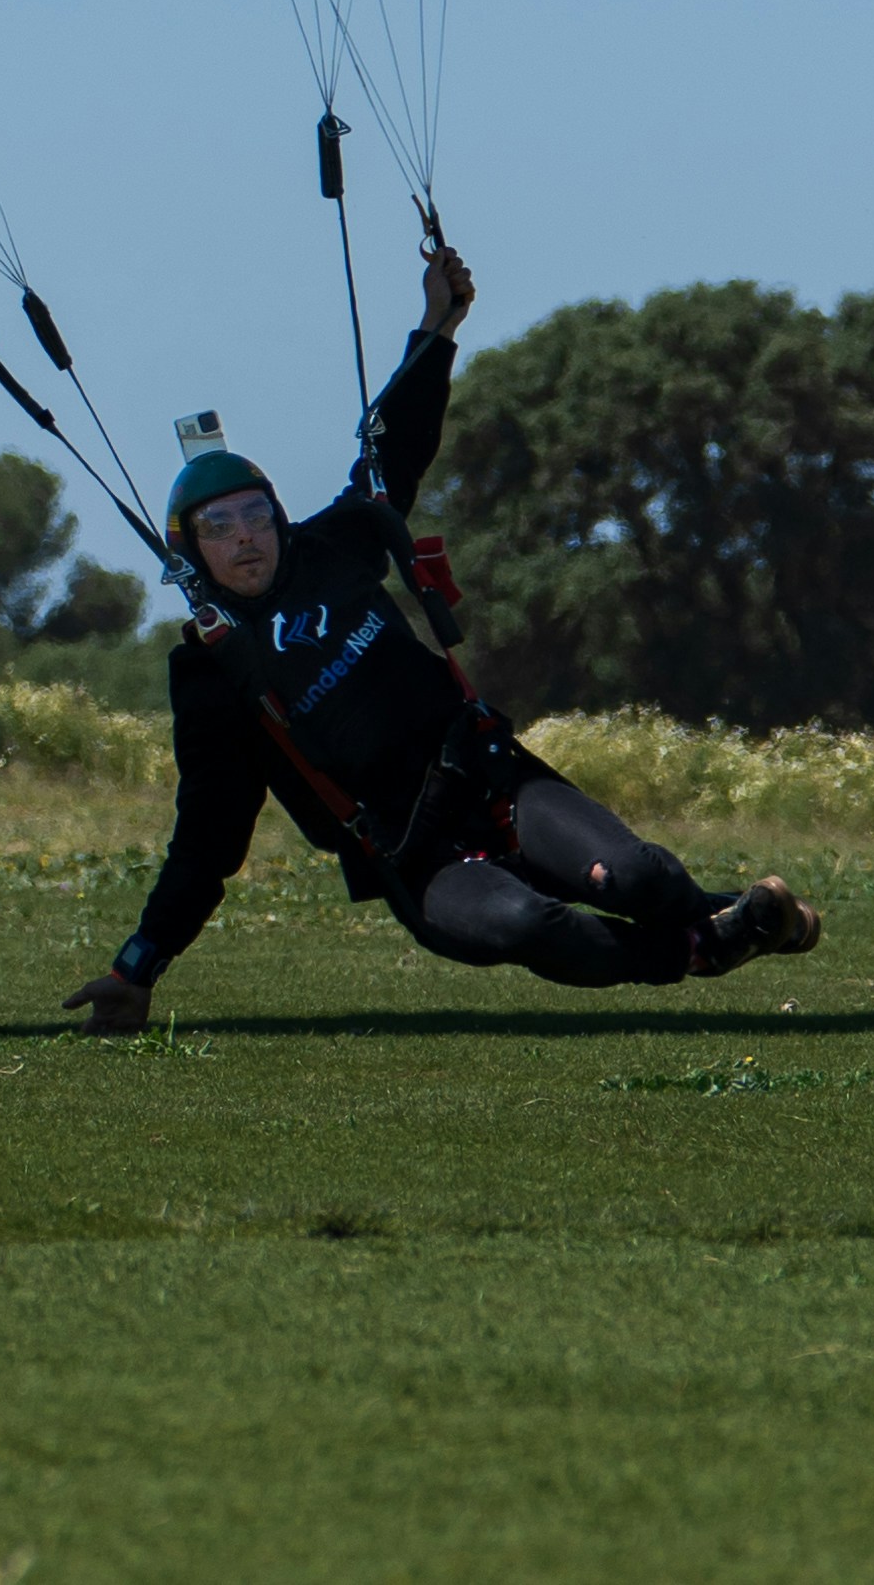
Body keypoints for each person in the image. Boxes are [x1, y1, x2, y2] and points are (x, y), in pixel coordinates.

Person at [62, 239, 821, 1032]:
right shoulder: (213, 672)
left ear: (279, 518)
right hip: (418, 857)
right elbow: (208, 836)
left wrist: (438, 322)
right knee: (529, 924)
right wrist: (137, 966)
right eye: (220, 527)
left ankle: (730, 921)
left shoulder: (336, 548)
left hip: (494, 779)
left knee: (631, 876)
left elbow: (393, 450)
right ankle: (711, 940)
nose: (246, 536)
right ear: (191, 554)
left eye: (256, 514)